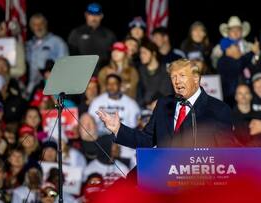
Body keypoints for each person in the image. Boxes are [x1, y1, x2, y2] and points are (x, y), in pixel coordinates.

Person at [96, 58, 235, 149]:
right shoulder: (164, 103)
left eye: (182, 75)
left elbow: (226, 153)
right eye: (173, 77)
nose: (177, 81)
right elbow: (147, 140)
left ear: (196, 78)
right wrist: (118, 129)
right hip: (164, 179)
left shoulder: (218, 109)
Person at [26, 13, 69, 93]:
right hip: (32, 88)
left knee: (55, 106)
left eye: (41, 24)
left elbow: (65, 64)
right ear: (31, 27)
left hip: (52, 86)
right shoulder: (29, 45)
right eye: (35, 24)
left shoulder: (57, 42)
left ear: (45, 24)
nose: (38, 27)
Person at [68, 2, 117, 72]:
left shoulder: (109, 34)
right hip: (81, 72)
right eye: (91, 14)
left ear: (102, 16)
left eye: (97, 15)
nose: (94, 17)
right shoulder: (76, 33)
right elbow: (70, 55)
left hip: (103, 72)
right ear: (86, 15)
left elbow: (114, 55)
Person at [217, 37, 260, 107]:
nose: (239, 48)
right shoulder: (223, 62)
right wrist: (252, 52)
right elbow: (238, 66)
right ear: (228, 49)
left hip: (247, 101)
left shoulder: (242, 61)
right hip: (232, 103)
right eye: (236, 46)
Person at [137, 41, 173, 109]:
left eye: (144, 53)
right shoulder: (140, 70)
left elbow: (166, 91)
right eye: (140, 53)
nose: (141, 55)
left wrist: (158, 102)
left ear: (153, 53)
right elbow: (139, 92)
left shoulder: (165, 70)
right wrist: (145, 105)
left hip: (161, 106)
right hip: (143, 108)